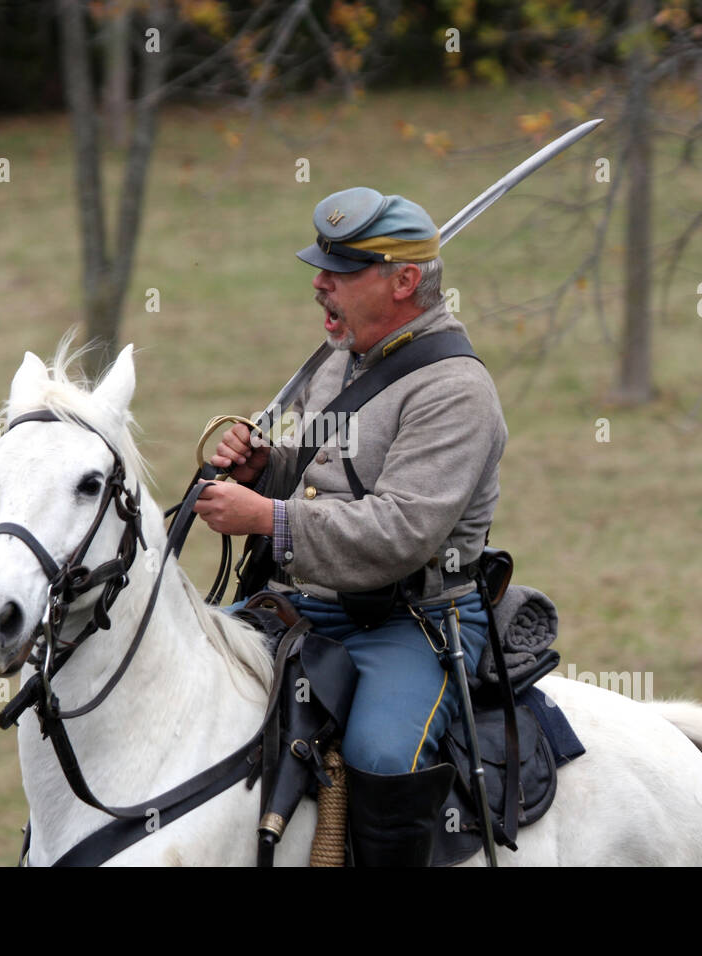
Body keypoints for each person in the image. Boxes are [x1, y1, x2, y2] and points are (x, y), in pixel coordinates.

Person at [193, 186, 508, 866]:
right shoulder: (338, 357)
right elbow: (322, 483)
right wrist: (262, 472)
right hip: (303, 604)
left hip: (409, 620)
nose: (319, 284)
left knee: (383, 756)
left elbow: (399, 533)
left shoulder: (456, 390)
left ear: (405, 281)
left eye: (341, 272)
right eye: (322, 268)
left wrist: (267, 518)